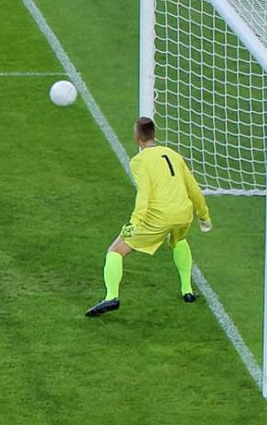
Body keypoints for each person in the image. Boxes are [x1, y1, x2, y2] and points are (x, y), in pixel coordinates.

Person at [86, 116, 212, 317]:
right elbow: (194, 189)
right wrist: (204, 216)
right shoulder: (173, 154)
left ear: (137, 138)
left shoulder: (139, 161)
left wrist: (134, 223)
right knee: (178, 239)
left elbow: (144, 194)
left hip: (158, 217)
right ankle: (187, 290)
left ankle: (111, 297)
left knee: (115, 251)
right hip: (183, 214)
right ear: (154, 134)